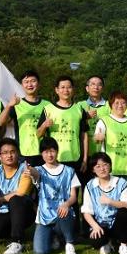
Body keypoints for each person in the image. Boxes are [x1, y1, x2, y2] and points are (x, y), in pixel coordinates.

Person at [38, 75, 89, 229]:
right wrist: (44, 125)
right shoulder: (48, 109)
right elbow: (38, 134)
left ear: (73, 89)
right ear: (56, 90)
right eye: (62, 87)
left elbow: (84, 135)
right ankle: (54, 228)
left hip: (74, 159)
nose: (66, 90)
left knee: (74, 196)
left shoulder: (79, 109)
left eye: (69, 87)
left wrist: (85, 159)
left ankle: (74, 230)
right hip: (54, 160)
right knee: (55, 195)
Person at [26, 138, 80, 254]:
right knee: (40, 252)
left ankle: (69, 243)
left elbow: (73, 197)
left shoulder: (69, 171)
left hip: (63, 214)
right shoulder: (39, 170)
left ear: (57, 151)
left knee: (64, 211)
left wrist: (66, 204)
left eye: (52, 151)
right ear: (41, 154)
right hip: (45, 217)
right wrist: (30, 170)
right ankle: (54, 236)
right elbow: (35, 173)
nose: (50, 155)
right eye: (46, 152)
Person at [81, 152, 127, 254]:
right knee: (96, 241)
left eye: (105, 165)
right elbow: (86, 211)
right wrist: (95, 227)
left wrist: (110, 201)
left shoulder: (121, 182)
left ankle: (124, 246)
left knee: (124, 212)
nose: (102, 169)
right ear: (93, 169)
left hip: (118, 224)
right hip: (101, 224)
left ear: (110, 166)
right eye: (98, 166)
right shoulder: (90, 186)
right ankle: (107, 242)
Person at [94, 91, 127, 213]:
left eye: (123, 103)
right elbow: (97, 137)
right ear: (110, 105)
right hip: (110, 170)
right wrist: (98, 138)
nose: (120, 105)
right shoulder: (104, 120)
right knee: (109, 204)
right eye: (116, 103)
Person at [0, 70, 50, 167]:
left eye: (33, 81)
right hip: (23, 153)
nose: (30, 84)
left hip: (44, 153)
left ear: (39, 84)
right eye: (26, 82)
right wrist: (9, 105)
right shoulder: (17, 104)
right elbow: (1, 122)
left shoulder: (48, 105)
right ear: (22, 85)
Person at [78, 75, 110, 157]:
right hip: (85, 152)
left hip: (105, 152)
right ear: (87, 88)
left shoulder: (109, 105)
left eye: (99, 84)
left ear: (103, 88)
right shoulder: (80, 105)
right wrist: (85, 116)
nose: (96, 87)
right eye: (92, 84)